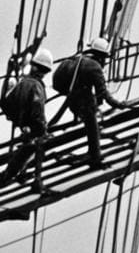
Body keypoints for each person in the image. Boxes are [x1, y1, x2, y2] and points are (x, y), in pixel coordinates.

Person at [52, 36, 127, 168]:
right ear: (101, 56)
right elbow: (103, 92)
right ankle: (95, 156)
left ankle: (92, 152)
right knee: (92, 125)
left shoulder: (76, 59)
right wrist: (118, 104)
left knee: (89, 116)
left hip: (71, 100)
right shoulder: (94, 67)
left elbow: (58, 82)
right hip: (81, 100)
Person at [0, 47, 53, 192]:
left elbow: (6, 103)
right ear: (44, 71)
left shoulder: (22, 82)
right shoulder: (36, 87)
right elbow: (37, 109)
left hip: (23, 124)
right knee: (38, 148)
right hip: (32, 125)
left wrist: (19, 121)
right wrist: (42, 128)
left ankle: (12, 175)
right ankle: (37, 182)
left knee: (26, 149)